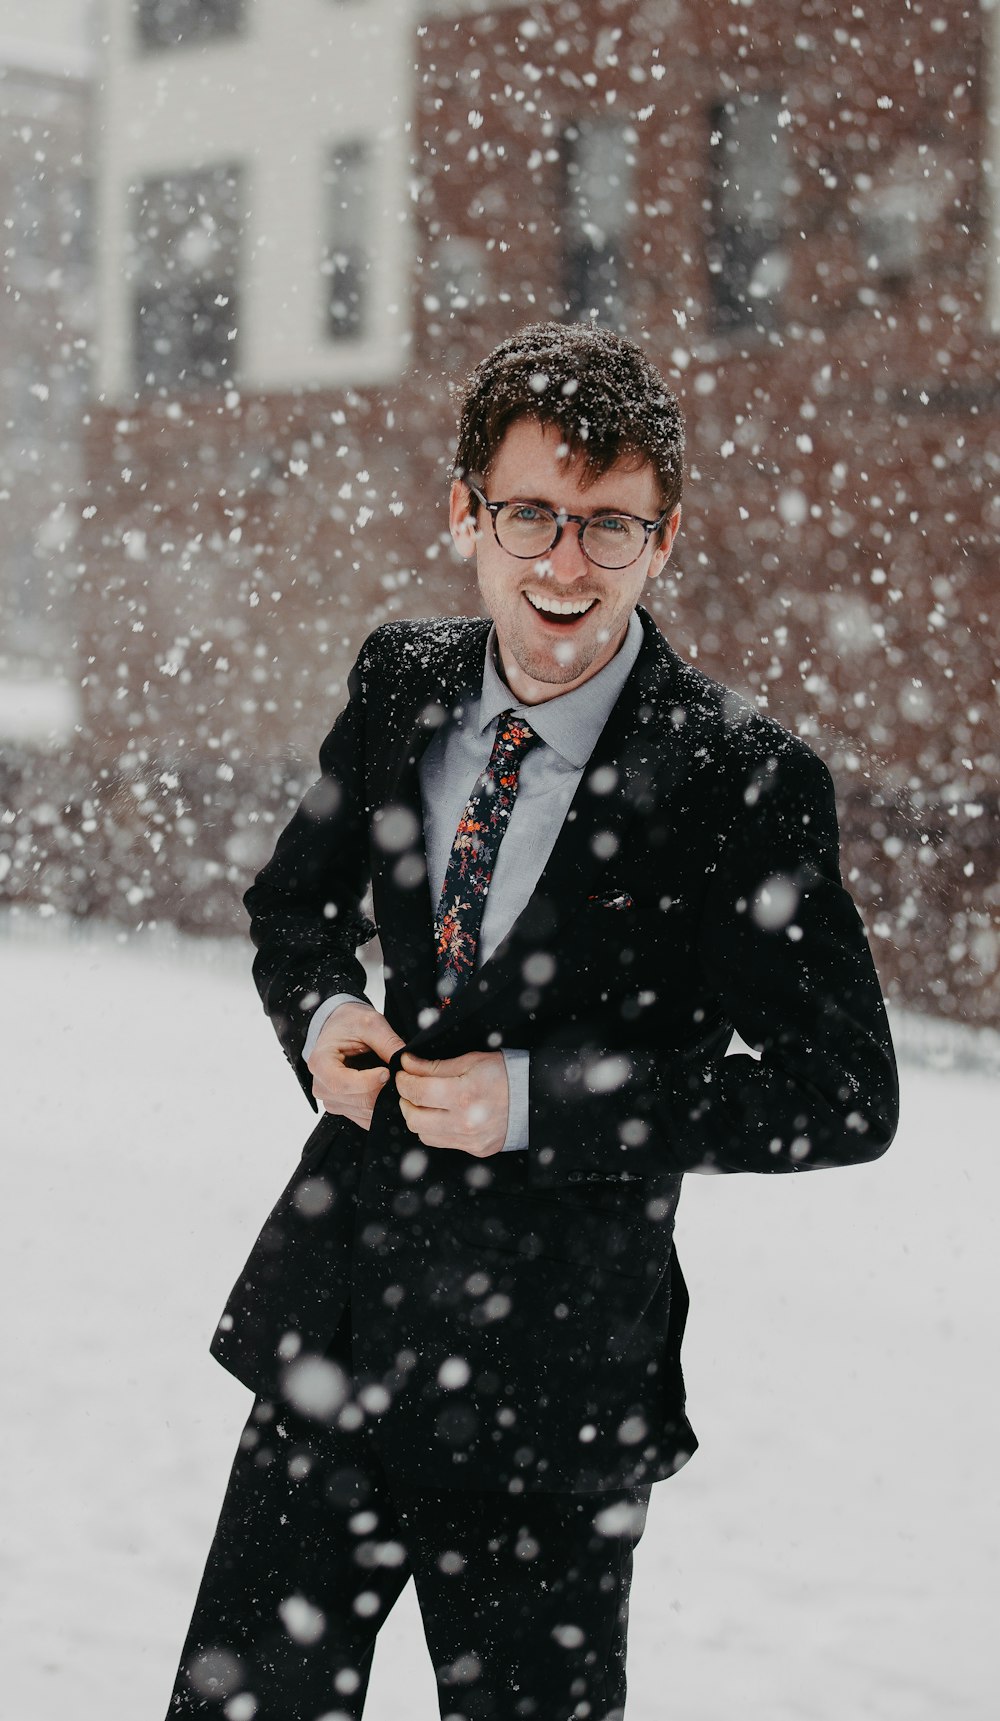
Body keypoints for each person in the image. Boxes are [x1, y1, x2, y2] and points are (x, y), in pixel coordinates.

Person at [166, 322, 898, 1721]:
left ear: (664, 539)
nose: (565, 563)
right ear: (467, 512)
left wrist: (544, 1100)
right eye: (532, 515)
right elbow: (291, 909)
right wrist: (321, 1013)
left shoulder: (742, 781)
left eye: (610, 526)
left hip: (554, 1390)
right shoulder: (401, 682)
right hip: (334, 1320)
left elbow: (846, 1094)